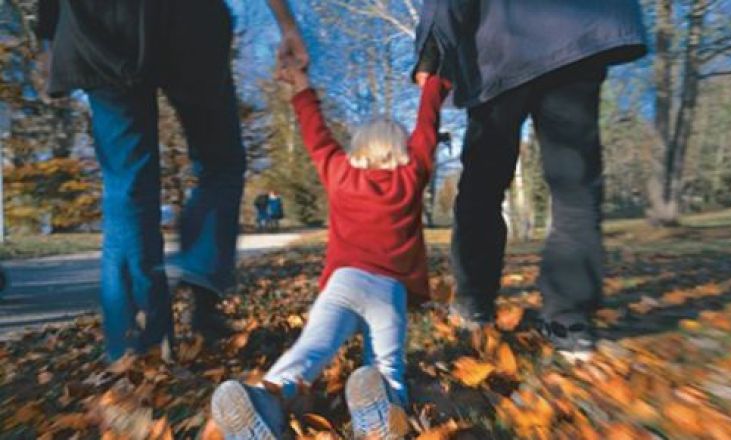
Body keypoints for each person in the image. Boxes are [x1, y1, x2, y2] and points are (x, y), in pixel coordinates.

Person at [35, 0, 308, 362]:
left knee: (127, 184)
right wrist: (287, 26)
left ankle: (138, 347)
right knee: (220, 164)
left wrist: (47, 38)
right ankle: (203, 281)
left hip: (100, 25)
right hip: (187, 23)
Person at [209, 64, 451, 439]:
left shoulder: (339, 173)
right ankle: (383, 415)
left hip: (342, 284)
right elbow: (427, 127)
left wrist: (301, 85)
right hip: (389, 291)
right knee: (386, 366)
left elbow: (315, 131)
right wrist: (433, 84)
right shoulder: (410, 176)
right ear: (402, 150)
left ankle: (266, 402)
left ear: (357, 150)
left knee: (309, 351)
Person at [413, 0, 647, 362]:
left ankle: (474, 302)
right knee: (575, 186)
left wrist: (431, 49)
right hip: (578, 36)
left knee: (482, 187)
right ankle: (569, 320)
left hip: (501, 47)